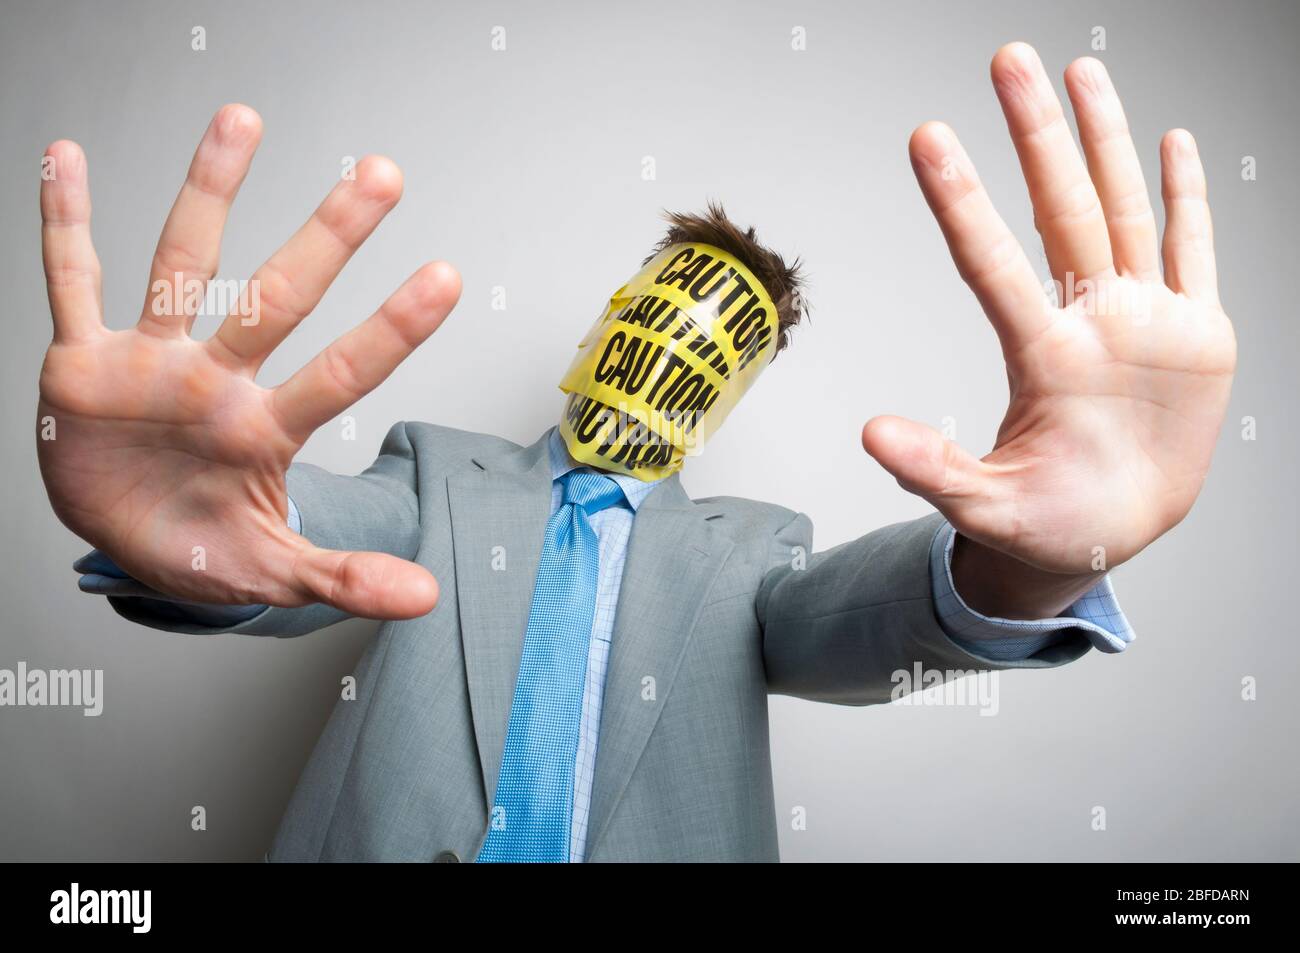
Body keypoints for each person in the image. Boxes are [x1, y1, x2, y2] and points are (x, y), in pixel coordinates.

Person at [36, 43, 1235, 862]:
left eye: (727, 343)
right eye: (664, 308)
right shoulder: (437, 477)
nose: (680, 349)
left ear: (736, 389)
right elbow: (308, 539)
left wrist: (1029, 566)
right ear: (616, 311)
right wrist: (191, 522)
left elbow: (867, 622)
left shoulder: (755, 551)